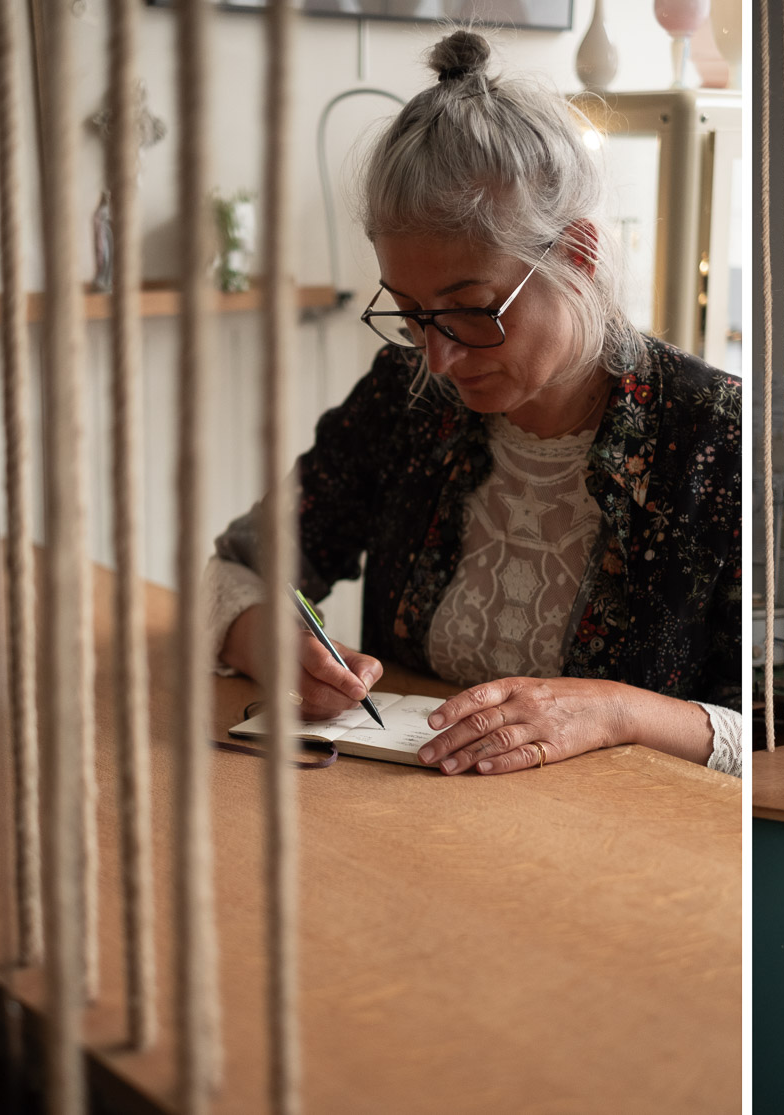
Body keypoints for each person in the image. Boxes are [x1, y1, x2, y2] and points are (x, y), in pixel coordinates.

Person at [204, 30, 742, 777]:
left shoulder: (714, 434)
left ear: (577, 257)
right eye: (411, 312)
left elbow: (770, 739)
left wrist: (616, 710)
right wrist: (274, 645)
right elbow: (235, 570)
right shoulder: (407, 400)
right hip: (412, 831)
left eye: (472, 309)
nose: (440, 357)